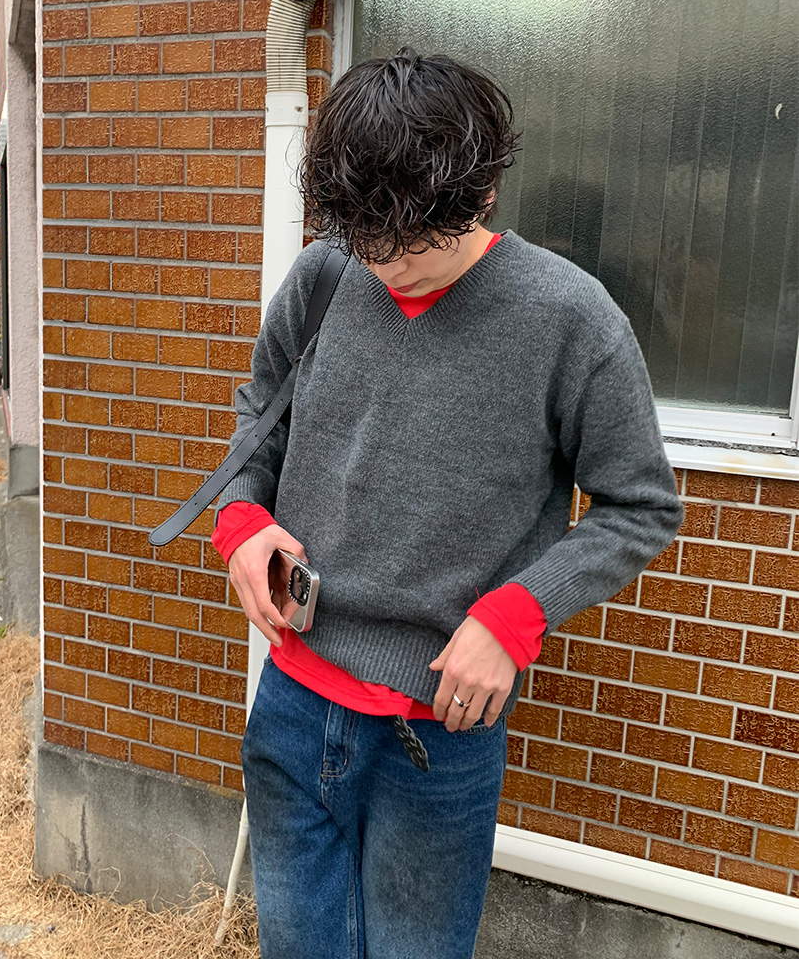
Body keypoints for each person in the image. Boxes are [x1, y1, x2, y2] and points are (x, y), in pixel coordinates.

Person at [211, 49, 684, 959]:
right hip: (293, 700)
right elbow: (259, 416)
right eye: (369, 241)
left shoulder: (570, 317)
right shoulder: (324, 275)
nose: (388, 268)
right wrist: (242, 520)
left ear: (483, 193)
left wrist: (515, 616)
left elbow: (641, 505)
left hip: (439, 732)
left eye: (414, 246)